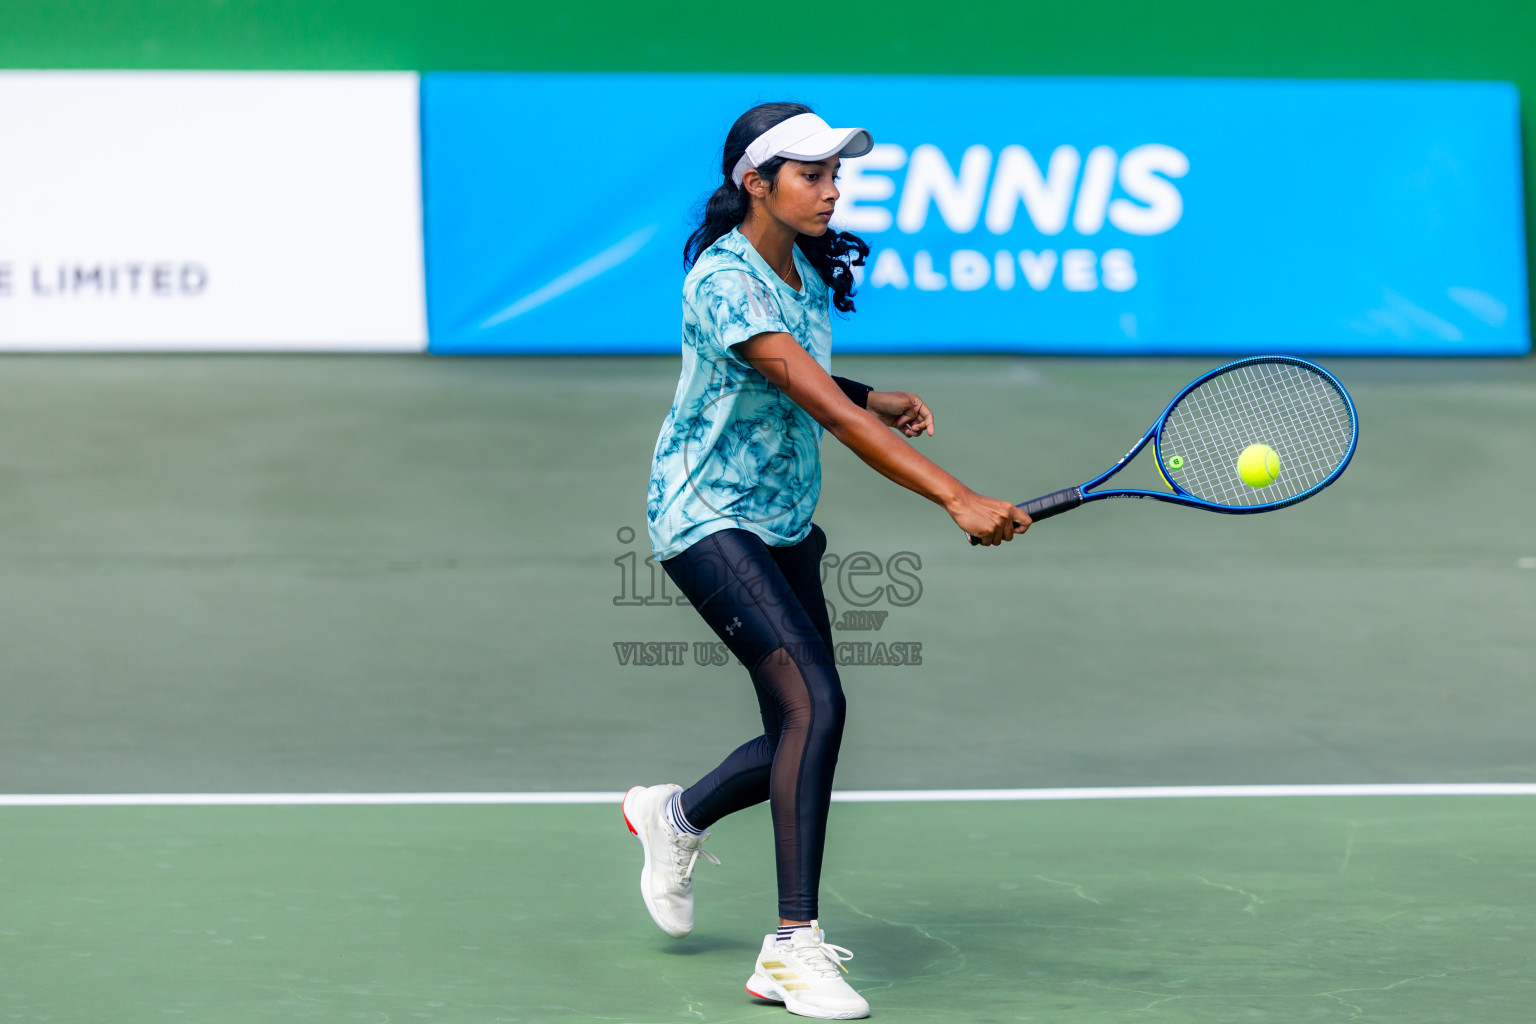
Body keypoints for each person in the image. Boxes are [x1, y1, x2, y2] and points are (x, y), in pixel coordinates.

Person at [622, 102, 1027, 1020]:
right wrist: (955, 495)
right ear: (753, 183)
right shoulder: (725, 280)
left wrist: (871, 393)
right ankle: (791, 949)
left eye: (837, 173)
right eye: (812, 174)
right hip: (706, 517)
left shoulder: (798, 265)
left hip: (783, 521)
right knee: (820, 704)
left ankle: (672, 816)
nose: (833, 189)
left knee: (798, 730)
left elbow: (797, 377)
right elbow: (825, 414)